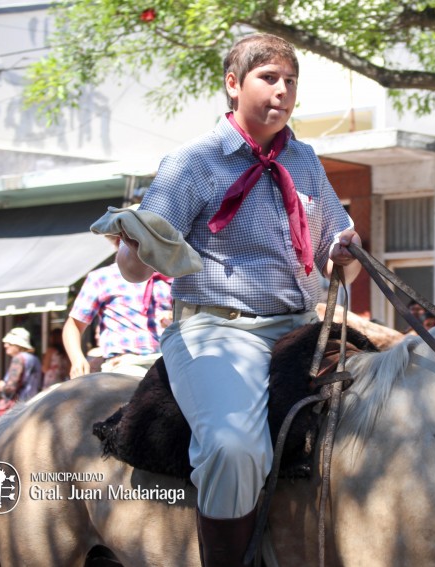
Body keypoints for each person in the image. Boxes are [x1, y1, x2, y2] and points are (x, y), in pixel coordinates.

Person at [116, 33, 361, 566]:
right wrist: (132, 251)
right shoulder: (192, 162)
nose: (283, 91)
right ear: (233, 83)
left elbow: (335, 250)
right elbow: (138, 264)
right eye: (268, 78)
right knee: (233, 450)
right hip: (217, 330)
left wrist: (345, 252)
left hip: (302, 327)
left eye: (290, 81)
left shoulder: (305, 161)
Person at [64, 235, 173, 378]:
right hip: (126, 363)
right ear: (119, 241)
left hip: (169, 360)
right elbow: (74, 325)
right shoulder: (102, 278)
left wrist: (173, 316)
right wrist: (77, 359)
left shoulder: (169, 278)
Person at [0, 327, 43, 416]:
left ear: (18, 345)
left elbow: (10, 388)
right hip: (33, 406)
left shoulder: (18, 358)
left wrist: (2, 386)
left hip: (17, 411)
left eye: (9, 343)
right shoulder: (35, 359)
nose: (5, 345)